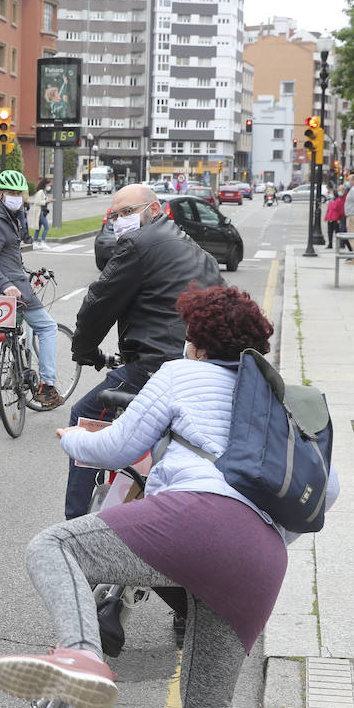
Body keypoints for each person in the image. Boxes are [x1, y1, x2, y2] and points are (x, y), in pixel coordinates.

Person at [0, 285, 339, 708]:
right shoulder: (284, 405)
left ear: (197, 344)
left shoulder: (181, 374)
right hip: (262, 559)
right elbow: (326, 490)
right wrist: (261, 532)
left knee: (54, 548)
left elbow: (115, 447)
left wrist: (72, 439)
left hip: (195, 520)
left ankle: (83, 652)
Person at [65, 183, 222, 520]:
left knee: (84, 412)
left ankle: (74, 521)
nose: (121, 220)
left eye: (128, 212)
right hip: (202, 365)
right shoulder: (196, 249)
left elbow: (98, 303)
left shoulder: (138, 244)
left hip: (156, 365)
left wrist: (86, 351)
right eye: (115, 215)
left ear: (154, 210)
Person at [0, 170, 64, 420]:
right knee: (47, 328)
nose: (17, 197)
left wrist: (11, 266)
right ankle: (47, 386)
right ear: (0, 193)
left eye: (20, 193)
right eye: (11, 193)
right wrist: (6, 282)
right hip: (10, 290)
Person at [30, 177, 53, 249]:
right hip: (40, 212)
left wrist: (47, 201)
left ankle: (35, 242)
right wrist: (47, 201)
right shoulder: (40, 192)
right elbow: (37, 202)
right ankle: (42, 242)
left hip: (42, 211)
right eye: (49, 184)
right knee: (46, 227)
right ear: (45, 184)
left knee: (38, 228)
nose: (49, 186)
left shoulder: (43, 191)